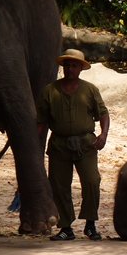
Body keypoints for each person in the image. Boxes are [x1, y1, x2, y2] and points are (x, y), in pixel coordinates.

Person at [37, 49, 110, 241]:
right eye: (67, 65)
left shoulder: (90, 90)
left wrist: (103, 135)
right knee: (59, 186)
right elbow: (41, 121)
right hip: (59, 144)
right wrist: (36, 146)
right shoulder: (50, 91)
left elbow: (103, 113)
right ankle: (66, 227)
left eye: (75, 65)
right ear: (63, 67)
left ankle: (91, 224)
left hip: (86, 144)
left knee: (92, 181)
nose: (70, 68)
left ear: (80, 68)